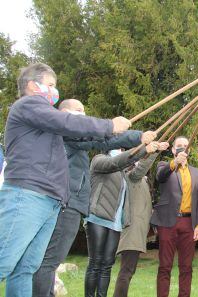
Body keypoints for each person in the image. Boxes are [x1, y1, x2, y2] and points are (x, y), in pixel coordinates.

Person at [0, 63, 131, 297]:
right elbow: (69, 123)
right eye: (50, 85)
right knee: (4, 260)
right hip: (28, 194)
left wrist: (132, 137)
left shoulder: (43, 121)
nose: (55, 91)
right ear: (32, 85)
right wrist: (110, 125)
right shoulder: (30, 105)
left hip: (48, 200)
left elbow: (82, 134)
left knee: (25, 268)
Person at [33, 99, 153, 297]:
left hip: (80, 208)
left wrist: (142, 144)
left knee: (103, 263)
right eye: (79, 111)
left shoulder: (75, 140)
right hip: (72, 206)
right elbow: (109, 145)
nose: (84, 114)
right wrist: (136, 138)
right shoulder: (93, 153)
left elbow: (124, 160)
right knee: (55, 262)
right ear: (64, 114)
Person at [84, 141, 158, 297]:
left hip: (115, 223)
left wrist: (153, 151)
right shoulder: (99, 160)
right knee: (95, 264)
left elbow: (137, 170)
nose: (121, 150)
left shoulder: (124, 173)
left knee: (106, 266)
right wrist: (143, 150)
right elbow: (115, 163)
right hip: (98, 218)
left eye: (122, 148)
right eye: (119, 147)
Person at [150, 136, 198, 297]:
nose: (182, 148)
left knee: (186, 267)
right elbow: (160, 176)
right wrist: (174, 163)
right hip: (167, 222)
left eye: (185, 146)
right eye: (179, 145)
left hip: (189, 223)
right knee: (165, 266)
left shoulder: (196, 173)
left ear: (189, 150)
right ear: (173, 150)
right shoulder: (164, 166)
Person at [113, 142, 169, 297]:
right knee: (126, 271)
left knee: (128, 271)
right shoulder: (132, 176)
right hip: (132, 231)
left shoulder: (140, 179)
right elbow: (142, 167)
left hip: (136, 232)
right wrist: (154, 151)